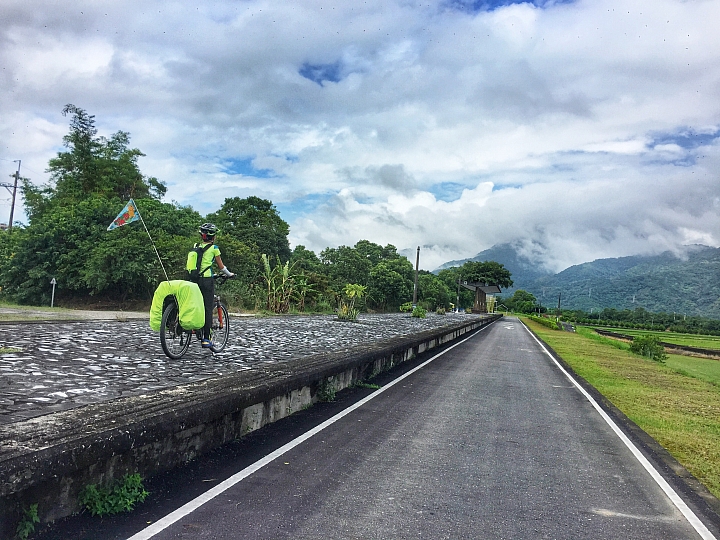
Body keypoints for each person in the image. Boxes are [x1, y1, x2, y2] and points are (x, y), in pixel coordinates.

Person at [192, 223, 234, 348]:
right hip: (206, 280)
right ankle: (205, 338)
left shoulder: (196, 246)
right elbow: (221, 267)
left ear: (202, 236)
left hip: (193, 279)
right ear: (213, 237)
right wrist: (230, 274)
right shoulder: (214, 248)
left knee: (195, 304)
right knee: (208, 308)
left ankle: (193, 326)